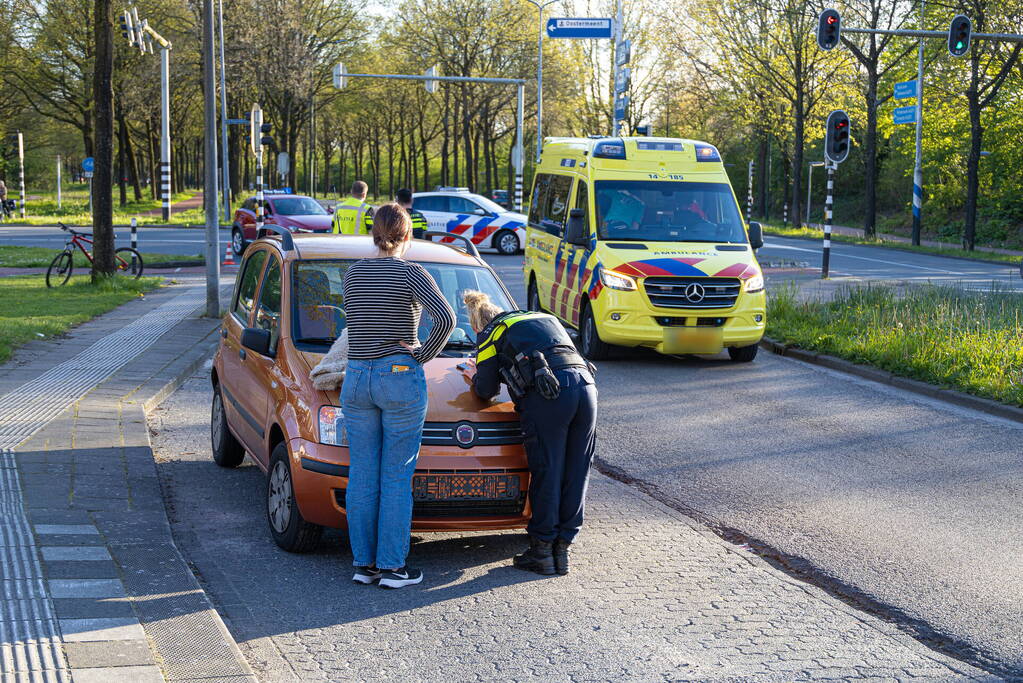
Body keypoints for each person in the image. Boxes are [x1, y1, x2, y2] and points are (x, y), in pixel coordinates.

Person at [340, 203, 456, 589]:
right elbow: (447, 318)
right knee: (395, 474)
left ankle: (364, 564)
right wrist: (422, 354)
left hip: (356, 377)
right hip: (398, 376)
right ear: (407, 235)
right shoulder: (411, 273)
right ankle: (392, 567)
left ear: (374, 234)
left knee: (362, 473)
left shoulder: (353, 274)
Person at [461, 291, 598, 576]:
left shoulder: (491, 333)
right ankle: (563, 549)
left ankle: (542, 551)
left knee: (548, 470)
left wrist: (474, 374)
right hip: (587, 389)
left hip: (549, 396)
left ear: (476, 326)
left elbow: (485, 390)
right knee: (576, 470)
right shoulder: (541, 317)